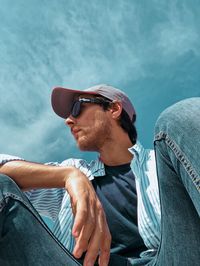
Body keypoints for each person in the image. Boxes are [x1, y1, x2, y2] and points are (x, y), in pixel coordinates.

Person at [0, 84, 200, 266]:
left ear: (113, 109)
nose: (69, 121)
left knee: (178, 116)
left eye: (77, 108)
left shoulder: (167, 163)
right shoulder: (72, 176)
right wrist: (70, 176)